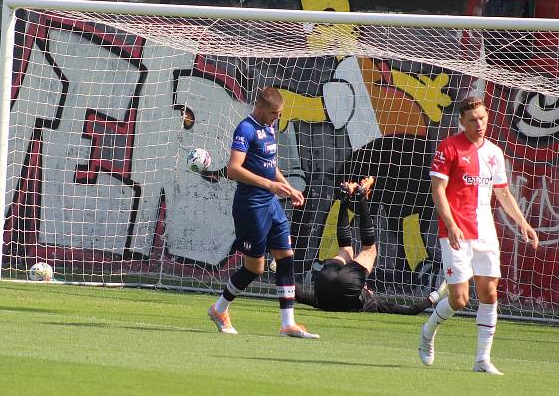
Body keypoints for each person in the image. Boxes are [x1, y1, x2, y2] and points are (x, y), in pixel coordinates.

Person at [419, 96, 539, 375]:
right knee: (459, 299)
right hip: (456, 231)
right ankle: (428, 331)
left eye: (483, 118)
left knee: (489, 293)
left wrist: (523, 223)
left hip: (485, 231)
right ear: (462, 121)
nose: (479, 124)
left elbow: (503, 193)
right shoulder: (449, 148)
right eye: (473, 120)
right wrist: (451, 224)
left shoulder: (494, 153)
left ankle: (482, 360)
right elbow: (438, 191)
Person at [208, 87, 319, 339]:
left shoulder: (269, 128)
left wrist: (288, 188)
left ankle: (288, 324)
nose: (276, 118)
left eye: (279, 114)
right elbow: (234, 169)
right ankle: (219, 309)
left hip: (271, 204)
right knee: (255, 268)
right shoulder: (245, 129)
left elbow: (269, 166)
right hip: (250, 206)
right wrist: (270, 185)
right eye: (273, 114)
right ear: (259, 108)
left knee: (286, 257)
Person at [294, 177, 448, 315]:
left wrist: (435, 296)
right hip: (323, 285)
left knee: (368, 249)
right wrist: (280, 268)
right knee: (346, 249)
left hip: (345, 283)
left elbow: (412, 310)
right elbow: (298, 295)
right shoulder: (365, 303)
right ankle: (346, 199)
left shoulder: (371, 302)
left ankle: (361, 198)